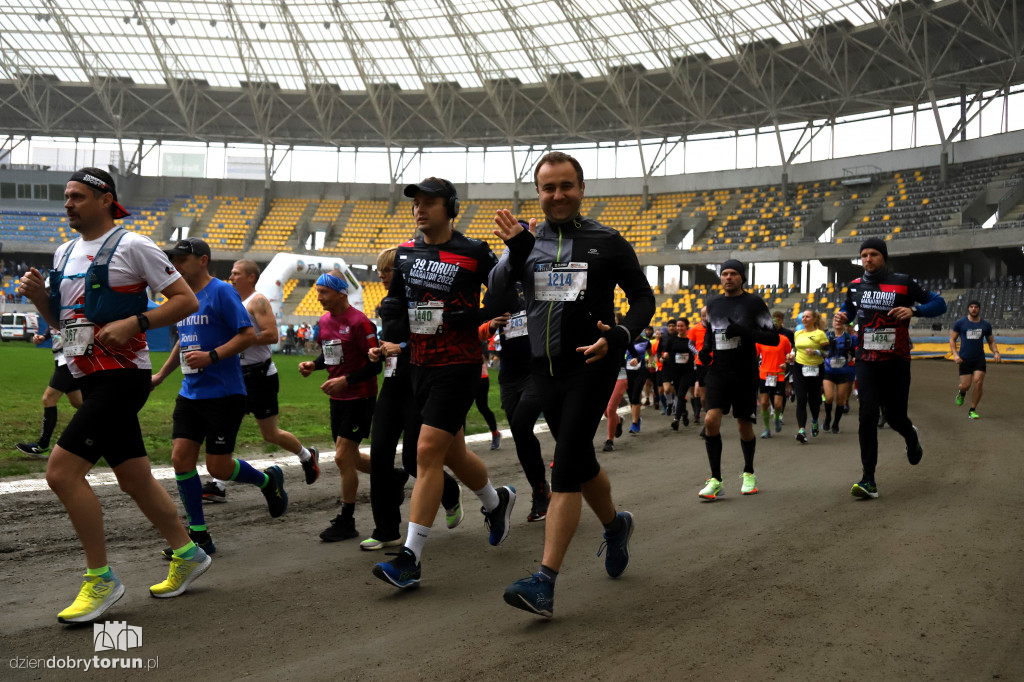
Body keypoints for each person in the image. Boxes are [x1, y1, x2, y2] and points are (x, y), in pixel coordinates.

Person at [17, 168, 209, 623]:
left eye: (78, 196)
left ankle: (100, 578)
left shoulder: (133, 245)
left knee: (61, 473)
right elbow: (60, 324)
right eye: (66, 196)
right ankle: (188, 553)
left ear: (106, 200)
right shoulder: (64, 251)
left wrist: (137, 322)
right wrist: (41, 299)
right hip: (86, 373)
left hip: (123, 376)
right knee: (134, 477)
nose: (68, 204)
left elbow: (186, 302)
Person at [491, 151, 655, 618]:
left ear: (582, 189)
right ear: (537, 193)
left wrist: (622, 335)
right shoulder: (523, 242)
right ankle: (615, 524)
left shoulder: (607, 240)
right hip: (545, 368)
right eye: (549, 188)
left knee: (564, 466)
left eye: (566, 186)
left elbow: (642, 297)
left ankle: (544, 581)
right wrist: (518, 249)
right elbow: (497, 296)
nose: (558, 195)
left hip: (594, 361)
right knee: (580, 459)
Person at [372, 177, 516, 590]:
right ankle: (496, 500)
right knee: (452, 451)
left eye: (430, 202)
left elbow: (507, 297)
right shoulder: (404, 254)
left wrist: (472, 317)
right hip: (419, 365)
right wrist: (393, 319)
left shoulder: (473, 252)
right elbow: (397, 303)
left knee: (427, 453)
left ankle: (409, 557)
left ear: (450, 207)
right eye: (416, 203)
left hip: (460, 364)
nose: (420, 209)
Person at [152, 238, 287, 558]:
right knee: (180, 458)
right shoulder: (181, 297)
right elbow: (183, 343)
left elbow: (245, 336)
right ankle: (199, 536)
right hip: (190, 391)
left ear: (202, 260)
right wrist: (161, 375)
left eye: (181, 259)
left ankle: (267, 482)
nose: (175, 264)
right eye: (173, 259)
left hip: (225, 393)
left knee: (219, 466)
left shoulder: (222, 292)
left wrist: (212, 356)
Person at [362, 248, 464, 551]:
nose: (381, 276)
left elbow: (432, 339)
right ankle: (386, 529)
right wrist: (378, 352)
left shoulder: (425, 299)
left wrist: (402, 348)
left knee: (412, 460)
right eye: (380, 270)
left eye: (388, 270)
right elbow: (389, 341)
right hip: (392, 386)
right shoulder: (387, 303)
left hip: (420, 386)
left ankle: (450, 492)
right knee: (379, 455)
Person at [199, 259, 320, 503]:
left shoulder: (258, 301)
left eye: (236, 273)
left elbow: (271, 335)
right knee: (227, 426)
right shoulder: (231, 301)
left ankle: (307, 457)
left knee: (270, 434)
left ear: (251, 277)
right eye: (231, 273)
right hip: (236, 376)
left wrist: (241, 339)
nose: (231, 277)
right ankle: (220, 484)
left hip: (261, 376)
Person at [835, 238, 946, 499]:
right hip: (866, 359)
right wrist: (842, 316)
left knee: (896, 418)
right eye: (863, 255)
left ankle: (910, 436)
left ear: (883, 256)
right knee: (867, 416)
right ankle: (868, 479)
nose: (868, 259)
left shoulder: (903, 282)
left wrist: (914, 310)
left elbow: (940, 303)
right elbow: (849, 310)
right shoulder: (854, 287)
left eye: (873, 254)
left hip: (896, 360)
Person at [298, 270, 389, 542]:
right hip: (338, 398)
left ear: (340, 292)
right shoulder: (325, 321)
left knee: (341, 456)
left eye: (323, 292)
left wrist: (345, 381)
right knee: (349, 456)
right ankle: (391, 475)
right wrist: (314, 365)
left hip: (360, 397)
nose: (319, 297)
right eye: (317, 292)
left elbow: (376, 365)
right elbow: (331, 356)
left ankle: (347, 520)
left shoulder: (360, 323)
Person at [697, 259, 779, 501]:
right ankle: (715, 479)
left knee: (744, 425)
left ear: (742, 277)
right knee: (711, 419)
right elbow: (712, 334)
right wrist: (705, 350)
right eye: (724, 274)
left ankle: (749, 472)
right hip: (718, 370)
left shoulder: (753, 303)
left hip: (744, 371)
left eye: (733, 273)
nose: (728, 277)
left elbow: (773, 338)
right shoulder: (713, 304)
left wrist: (745, 332)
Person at [485, 291, 552, 522]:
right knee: (519, 433)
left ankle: (548, 488)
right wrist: (491, 323)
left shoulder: (537, 279)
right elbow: (481, 318)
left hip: (536, 370)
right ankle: (540, 487)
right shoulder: (499, 286)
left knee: (522, 425)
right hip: (509, 375)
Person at [16, 325, 83, 457]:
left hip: (68, 358)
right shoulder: (57, 309)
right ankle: (107, 435)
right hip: (63, 357)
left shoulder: (68, 306)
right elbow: (52, 325)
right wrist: (44, 336)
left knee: (48, 399)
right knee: (79, 403)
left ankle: (42, 445)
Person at [950, 300, 1001, 419]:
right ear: (968, 309)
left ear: (979, 309)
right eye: (971, 307)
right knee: (965, 385)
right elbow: (952, 339)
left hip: (979, 358)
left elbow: (991, 341)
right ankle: (961, 393)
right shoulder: (960, 323)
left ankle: (972, 410)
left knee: (979, 381)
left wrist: (996, 352)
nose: (973, 309)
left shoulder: (985, 325)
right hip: (964, 359)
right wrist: (955, 355)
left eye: (976, 307)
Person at [791, 310, 828, 444]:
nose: (804, 319)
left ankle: (815, 420)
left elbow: (828, 352)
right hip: (799, 367)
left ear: (814, 319)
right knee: (801, 399)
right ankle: (801, 430)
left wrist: (816, 352)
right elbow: (795, 348)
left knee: (814, 400)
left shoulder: (820, 334)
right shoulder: (798, 333)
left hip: (816, 368)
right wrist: (791, 355)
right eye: (803, 317)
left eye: (807, 317)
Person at [822, 318, 856, 434]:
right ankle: (827, 418)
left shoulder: (850, 338)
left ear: (844, 323)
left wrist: (855, 358)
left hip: (843, 373)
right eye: (835, 320)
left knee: (841, 401)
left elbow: (854, 353)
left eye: (840, 320)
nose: (837, 322)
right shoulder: (826, 336)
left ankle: (836, 423)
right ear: (832, 322)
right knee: (829, 397)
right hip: (829, 372)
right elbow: (821, 350)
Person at [756, 331, 791, 439]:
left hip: (779, 375)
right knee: (764, 403)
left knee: (778, 405)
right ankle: (767, 429)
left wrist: (786, 363)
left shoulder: (784, 340)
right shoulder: (760, 340)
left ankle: (776, 418)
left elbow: (790, 356)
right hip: (764, 375)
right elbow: (754, 355)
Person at [602, 312, 629, 452]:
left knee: (611, 408)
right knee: (606, 411)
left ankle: (609, 441)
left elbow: (634, 351)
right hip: (605, 376)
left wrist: (636, 359)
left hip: (620, 375)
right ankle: (619, 421)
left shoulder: (621, 336)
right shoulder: (600, 334)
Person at [665, 317, 696, 430]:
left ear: (687, 327)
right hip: (675, 372)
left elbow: (695, 351)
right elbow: (666, 351)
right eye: (678, 326)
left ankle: (676, 419)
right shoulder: (672, 340)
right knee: (679, 395)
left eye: (682, 326)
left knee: (682, 394)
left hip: (687, 372)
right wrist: (665, 355)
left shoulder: (690, 340)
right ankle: (684, 413)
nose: (679, 328)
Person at [625, 329, 653, 434]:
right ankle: (637, 417)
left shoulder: (645, 341)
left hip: (641, 372)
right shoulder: (627, 341)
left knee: (635, 396)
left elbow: (650, 355)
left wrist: (650, 363)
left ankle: (635, 423)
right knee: (631, 397)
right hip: (627, 372)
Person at [772, 310, 795, 428]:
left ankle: (780, 413)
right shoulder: (767, 333)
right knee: (771, 390)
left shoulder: (787, 333)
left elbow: (792, 348)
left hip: (783, 365)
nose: (776, 321)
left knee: (781, 390)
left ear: (782, 320)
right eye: (774, 319)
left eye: (779, 319)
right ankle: (775, 408)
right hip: (770, 366)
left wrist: (789, 361)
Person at [474, 359, 503, 450]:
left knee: (482, 407)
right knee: (461, 409)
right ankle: (460, 443)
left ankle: (495, 433)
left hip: (481, 377)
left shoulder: (480, 344)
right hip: (464, 378)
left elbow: (485, 358)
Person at [688, 306, 709, 426]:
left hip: (715, 365)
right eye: (703, 315)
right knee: (703, 397)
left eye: (707, 315)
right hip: (701, 365)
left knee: (714, 393)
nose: (705, 318)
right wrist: (698, 353)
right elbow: (690, 344)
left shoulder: (716, 328)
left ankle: (710, 419)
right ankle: (706, 412)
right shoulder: (695, 329)